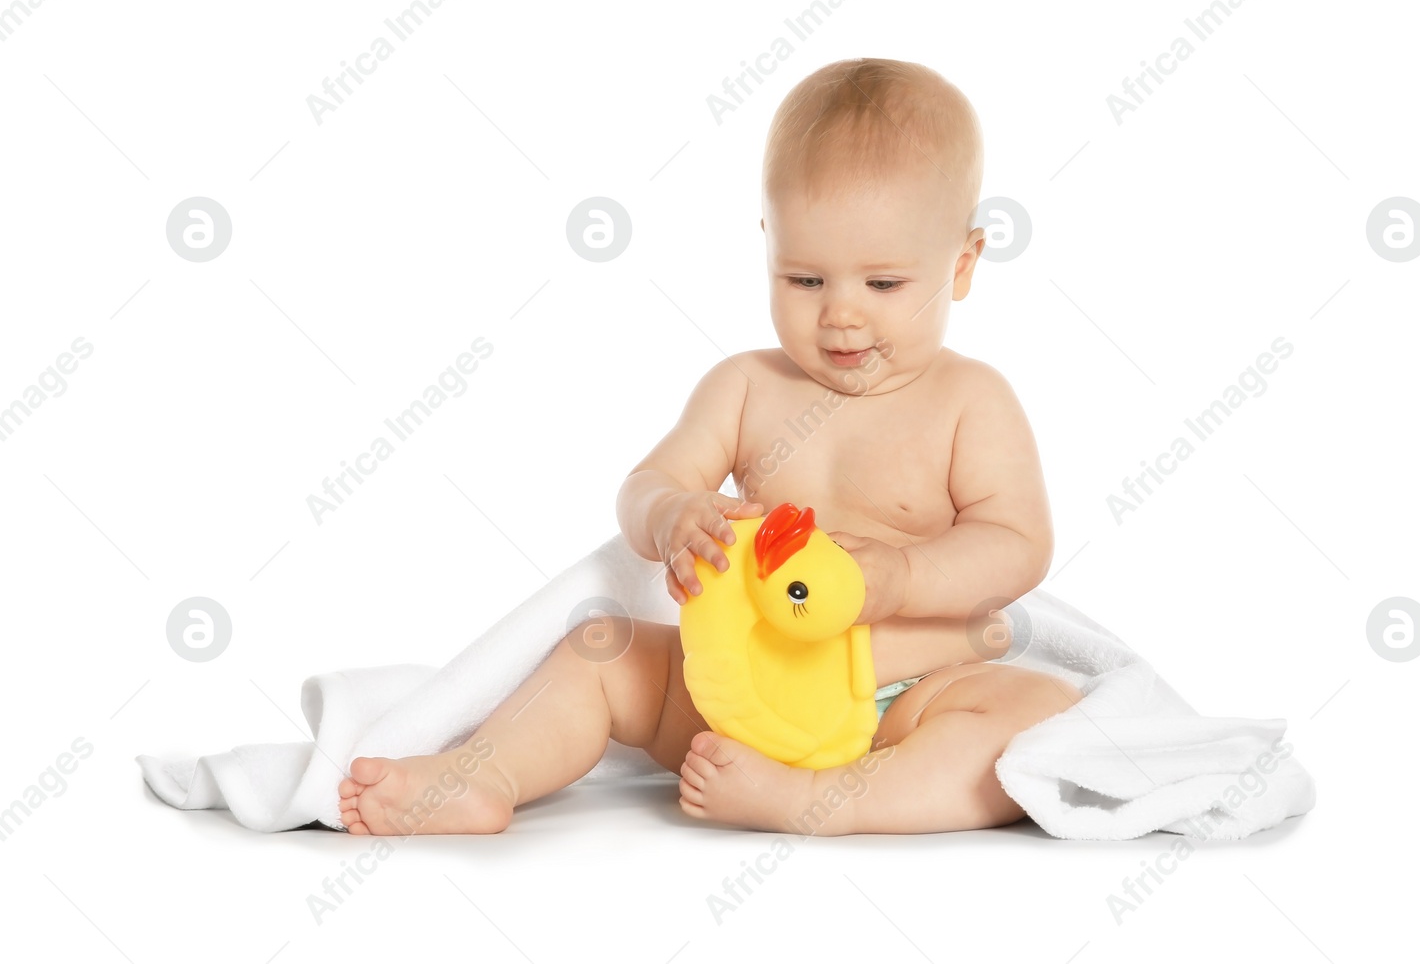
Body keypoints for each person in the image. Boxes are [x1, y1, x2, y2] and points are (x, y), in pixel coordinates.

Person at [339, 57, 1083, 836]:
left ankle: (828, 801)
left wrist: (898, 577)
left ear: (961, 264)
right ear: (768, 245)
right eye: (804, 280)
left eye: (884, 285)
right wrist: (672, 515)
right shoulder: (745, 388)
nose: (841, 317)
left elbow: (1018, 543)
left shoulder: (970, 401)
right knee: (602, 650)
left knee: (1029, 711)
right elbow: (648, 482)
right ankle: (484, 774)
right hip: (735, 689)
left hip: (897, 692)